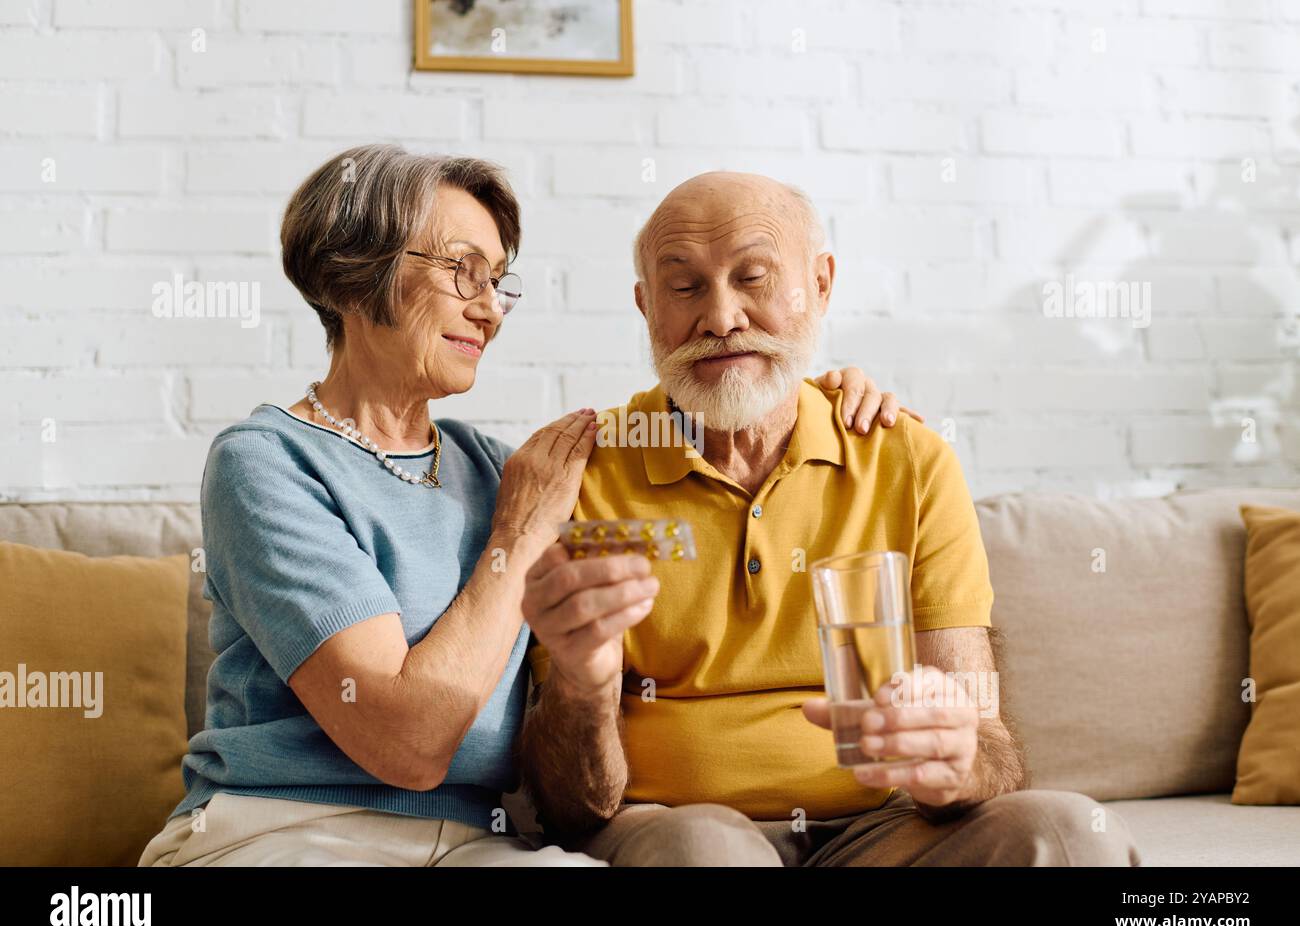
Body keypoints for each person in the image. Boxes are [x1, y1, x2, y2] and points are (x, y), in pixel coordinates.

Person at [138, 146, 903, 867]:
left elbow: (702, 426)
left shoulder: (499, 468)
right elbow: (407, 743)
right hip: (284, 830)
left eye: (498, 280)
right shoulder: (267, 462)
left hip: (470, 846)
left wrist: (815, 397)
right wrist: (518, 533)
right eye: (463, 273)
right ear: (350, 275)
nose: (490, 310)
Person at [518, 171, 1143, 867]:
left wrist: (954, 762)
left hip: (882, 830)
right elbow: (568, 803)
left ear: (820, 285)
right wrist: (582, 683)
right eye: (686, 286)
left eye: (752, 278)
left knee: (1060, 832)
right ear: (646, 308)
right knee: (704, 852)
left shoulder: (908, 459)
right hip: (671, 827)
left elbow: (988, 746)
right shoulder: (584, 471)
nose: (721, 317)